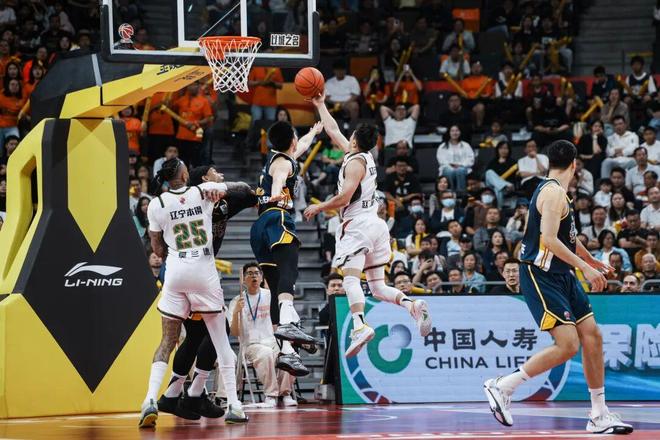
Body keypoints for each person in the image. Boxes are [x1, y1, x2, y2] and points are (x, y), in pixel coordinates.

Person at [483, 140, 632, 434]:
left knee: (593, 336)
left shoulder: (559, 192)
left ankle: (599, 414)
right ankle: (503, 385)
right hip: (541, 274)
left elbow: (567, 238)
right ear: (575, 164)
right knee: (568, 344)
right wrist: (585, 268)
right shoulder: (552, 193)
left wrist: (590, 260)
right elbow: (549, 240)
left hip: (562, 274)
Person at [305, 91, 432, 358]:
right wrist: (320, 104)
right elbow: (333, 130)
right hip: (376, 224)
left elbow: (343, 198)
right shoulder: (365, 156)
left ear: (354, 140)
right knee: (377, 286)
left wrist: (319, 206)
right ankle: (411, 305)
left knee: (350, 278)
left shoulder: (354, 164)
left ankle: (359, 325)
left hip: (358, 226)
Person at [139, 159, 242, 428]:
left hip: (175, 272)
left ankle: (150, 400)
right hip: (203, 271)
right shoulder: (202, 191)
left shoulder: (157, 203)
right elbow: (239, 188)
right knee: (220, 340)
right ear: (185, 174)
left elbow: (157, 249)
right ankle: (234, 405)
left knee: (167, 341)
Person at [250, 120, 323, 376]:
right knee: (289, 272)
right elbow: (280, 179)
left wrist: (313, 132)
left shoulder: (280, 157)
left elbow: (301, 147)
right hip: (277, 218)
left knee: (274, 286)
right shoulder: (283, 163)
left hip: (260, 226)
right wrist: (277, 192)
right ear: (291, 140)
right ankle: (290, 324)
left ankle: (287, 351)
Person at [228, 263, 297, 408]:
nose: (253, 276)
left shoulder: (271, 295)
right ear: (243, 279)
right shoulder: (237, 301)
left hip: (273, 340)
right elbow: (234, 333)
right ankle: (271, 395)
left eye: (256, 273)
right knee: (266, 354)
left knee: (290, 354)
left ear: (261, 277)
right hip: (251, 345)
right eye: (249, 273)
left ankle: (285, 394)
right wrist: (236, 312)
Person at [436, 125, 474, 192]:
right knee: (449, 171)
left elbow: (471, 159)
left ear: (460, 132)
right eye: (452, 131)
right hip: (447, 167)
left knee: (460, 170)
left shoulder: (466, 145)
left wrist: (460, 165)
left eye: (457, 131)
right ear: (449, 133)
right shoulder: (442, 146)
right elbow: (441, 160)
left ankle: (461, 193)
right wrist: (451, 166)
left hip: (462, 167)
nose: (455, 133)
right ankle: (451, 193)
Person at [485, 141, 517, 208]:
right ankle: (504, 185)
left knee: (498, 189)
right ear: (497, 150)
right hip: (492, 186)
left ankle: (499, 209)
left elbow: (515, 178)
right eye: (501, 148)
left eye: (505, 148)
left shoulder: (513, 162)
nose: (503, 150)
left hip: (509, 188)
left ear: (509, 150)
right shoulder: (492, 162)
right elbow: (487, 177)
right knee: (489, 172)